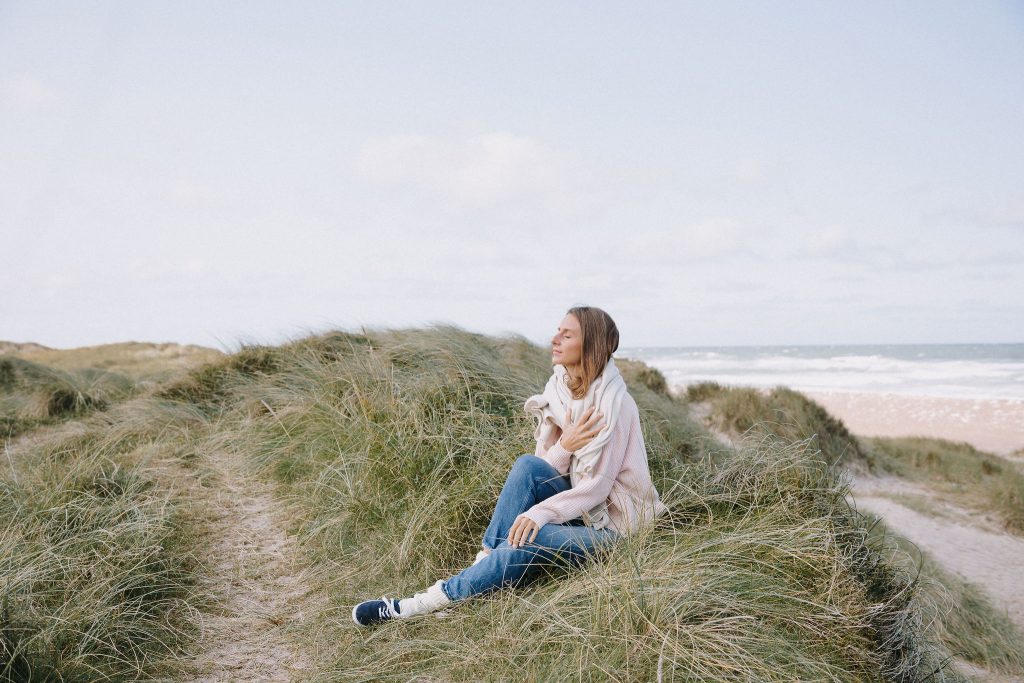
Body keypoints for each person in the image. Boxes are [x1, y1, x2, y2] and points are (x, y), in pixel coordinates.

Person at [352, 305, 668, 627]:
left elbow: (597, 486)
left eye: (567, 334)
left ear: (591, 345)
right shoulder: (561, 392)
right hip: (582, 511)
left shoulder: (614, 406)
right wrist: (565, 446)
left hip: (614, 529)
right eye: (558, 331)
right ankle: (483, 571)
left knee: (528, 536)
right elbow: (546, 467)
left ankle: (420, 604)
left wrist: (538, 513)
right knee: (528, 466)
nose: (555, 339)